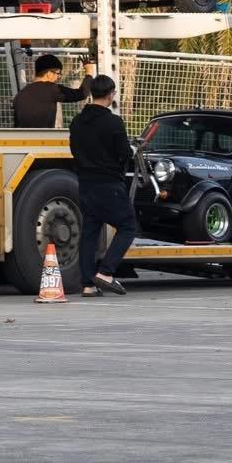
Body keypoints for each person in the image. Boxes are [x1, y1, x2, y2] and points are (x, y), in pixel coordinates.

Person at [68, 74, 137, 296]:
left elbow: (74, 151)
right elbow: (124, 153)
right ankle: (106, 272)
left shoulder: (77, 122)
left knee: (90, 231)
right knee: (127, 226)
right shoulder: (114, 122)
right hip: (109, 184)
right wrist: (133, 150)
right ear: (111, 95)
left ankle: (88, 285)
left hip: (86, 184)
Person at [12, 53, 95, 128]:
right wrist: (89, 72)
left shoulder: (20, 94)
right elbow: (82, 94)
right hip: (43, 141)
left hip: (21, 141)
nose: (58, 78)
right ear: (49, 74)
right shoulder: (52, 89)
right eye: (58, 74)